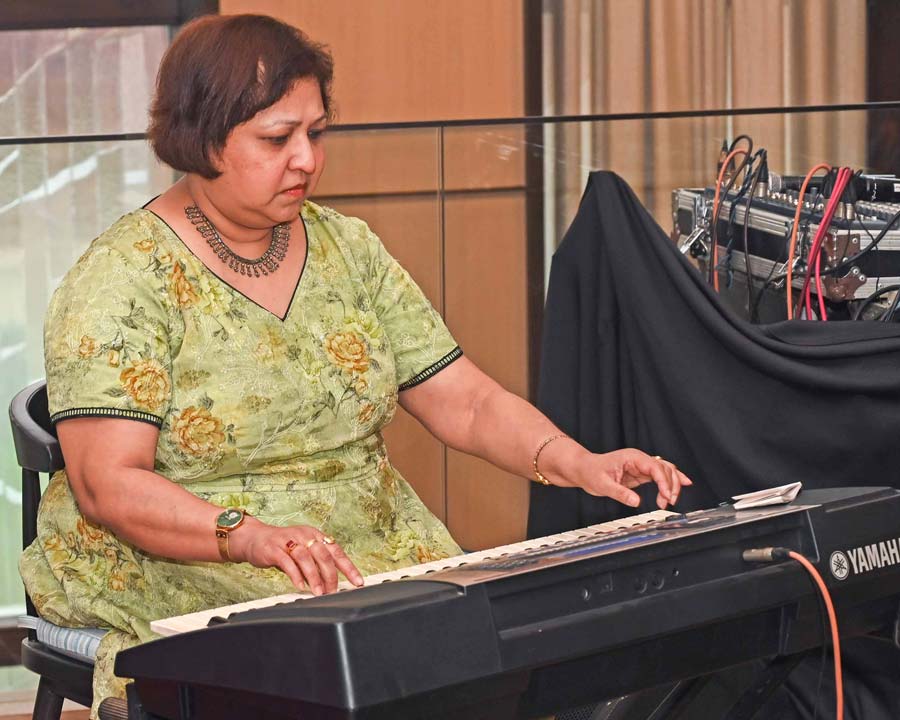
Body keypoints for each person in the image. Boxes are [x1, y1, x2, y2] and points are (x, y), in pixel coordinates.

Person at [19, 13, 691, 716]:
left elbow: (463, 400)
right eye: (277, 139)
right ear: (200, 137)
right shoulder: (121, 278)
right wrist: (250, 536)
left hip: (366, 547)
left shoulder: (348, 248)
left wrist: (577, 461)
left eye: (317, 132)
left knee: (490, 653)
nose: (306, 159)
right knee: (366, 668)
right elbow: (108, 485)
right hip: (190, 554)